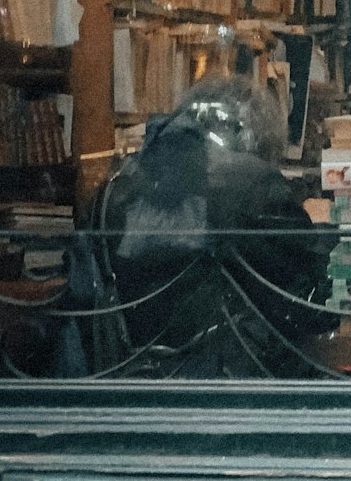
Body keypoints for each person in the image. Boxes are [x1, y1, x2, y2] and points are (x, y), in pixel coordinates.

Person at [96, 75, 332, 376]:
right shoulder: (253, 182)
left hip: (125, 381)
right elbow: (304, 290)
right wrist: (325, 230)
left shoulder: (117, 184)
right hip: (230, 381)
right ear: (258, 131)